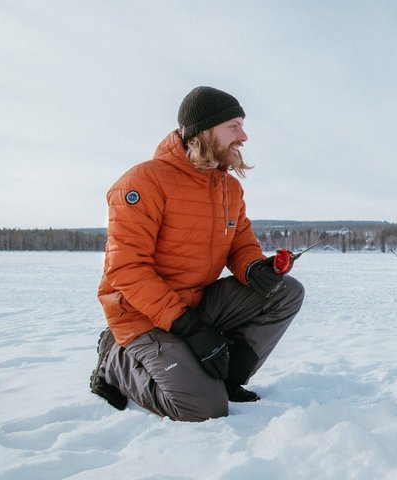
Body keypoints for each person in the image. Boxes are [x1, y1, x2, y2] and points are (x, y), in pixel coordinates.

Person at [89, 86, 304, 422]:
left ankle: (227, 377)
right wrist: (189, 327)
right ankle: (114, 359)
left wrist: (256, 270)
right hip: (141, 315)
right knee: (204, 408)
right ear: (205, 130)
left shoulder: (229, 188)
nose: (243, 136)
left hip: (196, 303)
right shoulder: (143, 182)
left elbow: (241, 246)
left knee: (286, 291)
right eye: (234, 126)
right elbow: (127, 269)